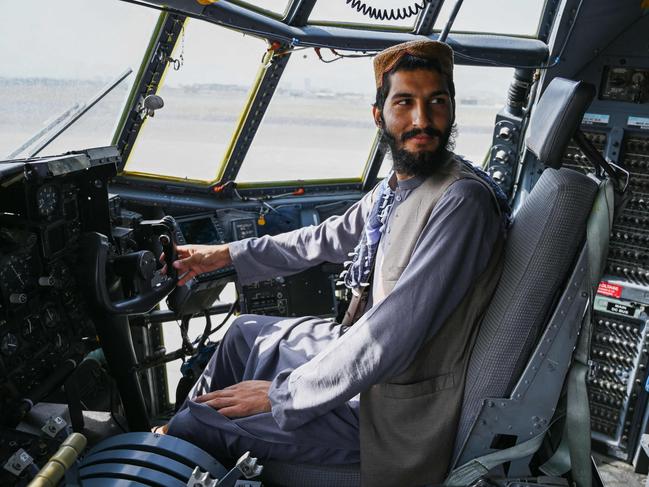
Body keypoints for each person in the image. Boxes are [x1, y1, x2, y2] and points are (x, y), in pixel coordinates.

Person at [162, 40, 510, 486]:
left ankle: (172, 441)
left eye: (436, 102)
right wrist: (222, 256)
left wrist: (281, 395)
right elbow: (322, 240)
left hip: (394, 408)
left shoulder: (461, 201)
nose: (422, 120)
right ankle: (173, 437)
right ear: (379, 114)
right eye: (405, 102)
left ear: (452, 109)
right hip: (367, 358)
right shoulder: (397, 188)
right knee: (243, 333)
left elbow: (392, 335)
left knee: (201, 423)